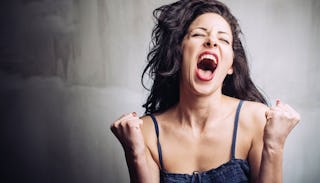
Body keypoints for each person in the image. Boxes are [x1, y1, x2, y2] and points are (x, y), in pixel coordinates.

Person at [110, 0, 300, 182]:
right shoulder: (148, 133)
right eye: (199, 34)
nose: (211, 41)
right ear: (179, 52)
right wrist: (134, 153)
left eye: (224, 39)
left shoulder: (256, 120)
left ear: (230, 66)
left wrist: (274, 145)